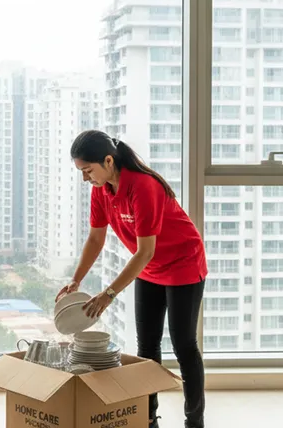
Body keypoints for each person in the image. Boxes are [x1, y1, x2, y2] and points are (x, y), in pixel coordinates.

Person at [57, 130, 207, 428]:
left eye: (88, 170)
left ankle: (194, 422)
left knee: (183, 345)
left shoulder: (143, 187)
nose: (86, 178)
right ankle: (148, 419)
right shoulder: (100, 191)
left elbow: (145, 251)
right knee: (147, 347)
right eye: (81, 172)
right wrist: (76, 281)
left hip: (183, 265)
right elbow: (96, 239)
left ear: (108, 160)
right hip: (149, 269)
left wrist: (109, 294)